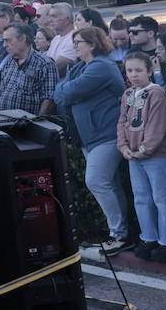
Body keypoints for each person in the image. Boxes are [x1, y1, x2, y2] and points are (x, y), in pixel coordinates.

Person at [54, 26, 130, 253]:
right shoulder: (80, 67)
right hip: (90, 137)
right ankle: (122, 233)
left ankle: (119, 234)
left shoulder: (101, 66)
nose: (75, 45)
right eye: (74, 41)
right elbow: (59, 93)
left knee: (96, 181)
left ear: (93, 44)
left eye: (79, 42)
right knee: (111, 185)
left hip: (106, 135)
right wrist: (69, 91)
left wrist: (70, 92)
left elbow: (66, 93)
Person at [117, 51, 166, 263]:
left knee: (163, 199)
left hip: (156, 155)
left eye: (139, 70)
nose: (134, 74)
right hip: (133, 155)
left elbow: (157, 126)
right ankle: (149, 237)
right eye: (130, 70)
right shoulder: (128, 94)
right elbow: (122, 122)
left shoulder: (157, 93)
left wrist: (144, 149)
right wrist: (123, 147)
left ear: (149, 71)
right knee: (142, 198)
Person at [0, 24, 57, 116]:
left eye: (8, 40)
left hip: (29, 125)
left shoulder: (45, 63)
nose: (4, 45)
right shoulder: (8, 62)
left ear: (22, 38)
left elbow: (49, 98)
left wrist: (40, 122)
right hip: (5, 122)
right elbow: (2, 92)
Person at [43, 3, 78, 74]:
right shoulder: (56, 39)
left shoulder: (74, 38)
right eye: (49, 16)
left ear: (67, 19)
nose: (50, 20)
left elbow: (57, 66)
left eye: (54, 16)